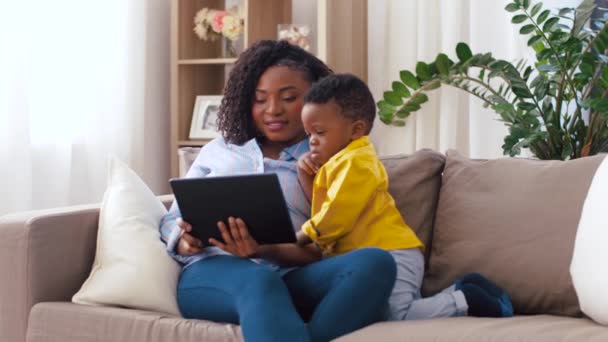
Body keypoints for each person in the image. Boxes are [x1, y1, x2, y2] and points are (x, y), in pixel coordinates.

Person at [159, 40, 397, 342]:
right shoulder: (220, 151)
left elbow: (328, 244)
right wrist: (184, 240)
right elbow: (171, 218)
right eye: (260, 100)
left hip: (291, 274)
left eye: (289, 97)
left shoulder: (336, 160)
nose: (273, 110)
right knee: (258, 280)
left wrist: (263, 249)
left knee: (375, 262)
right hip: (213, 273)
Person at [295, 73, 514, 321]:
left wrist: (305, 234)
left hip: (393, 254)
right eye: (308, 134)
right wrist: (307, 177)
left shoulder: (356, 163)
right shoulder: (337, 165)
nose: (311, 141)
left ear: (356, 130)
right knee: (397, 309)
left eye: (319, 132)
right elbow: (326, 207)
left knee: (396, 315)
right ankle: (461, 289)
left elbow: (336, 214)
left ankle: (465, 300)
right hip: (381, 259)